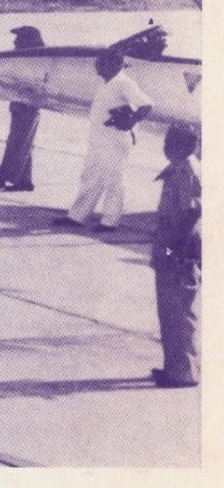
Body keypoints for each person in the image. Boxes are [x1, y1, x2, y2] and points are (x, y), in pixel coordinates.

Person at [54, 50, 153, 232]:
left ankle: (110, 221)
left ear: (115, 65)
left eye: (101, 62)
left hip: (115, 140)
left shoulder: (124, 83)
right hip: (100, 140)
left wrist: (131, 121)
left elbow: (147, 105)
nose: (97, 65)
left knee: (114, 180)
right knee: (90, 176)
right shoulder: (108, 82)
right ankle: (77, 216)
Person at [150, 124, 201, 388]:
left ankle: (182, 373)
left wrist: (171, 247)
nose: (165, 146)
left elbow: (191, 212)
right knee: (173, 311)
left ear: (182, 146)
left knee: (177, 312)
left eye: (169, 141)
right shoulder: (184, 167)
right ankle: (176, 368)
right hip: (176, 246)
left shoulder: (186, 171)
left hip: (178, 250)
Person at [0, 26, 45, 192]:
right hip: (23, 105)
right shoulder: (29, 59)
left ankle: (2, 177)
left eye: (19, 39)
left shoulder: (35, 61)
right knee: (24, 142)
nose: (15, 42)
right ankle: (24, 180)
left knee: (16, 142)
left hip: (27, 107)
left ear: (28, 41)